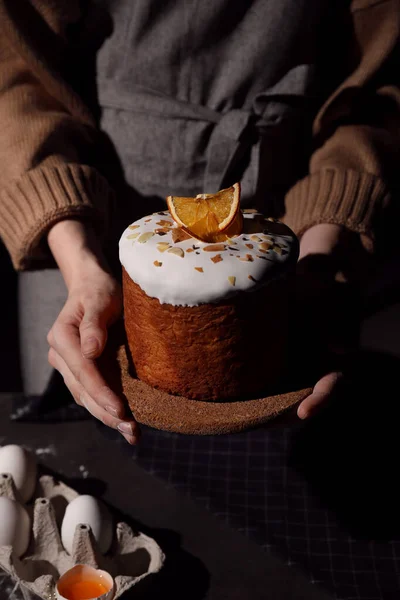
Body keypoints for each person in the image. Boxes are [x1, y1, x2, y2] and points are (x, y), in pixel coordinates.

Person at [0, 0, 399, 444]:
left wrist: (321, 257)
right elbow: (15, 65)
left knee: (274, 479)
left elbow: (379, 84)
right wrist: (80, 264)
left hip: (294, 215)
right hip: (81, 226)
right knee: (82, 443)